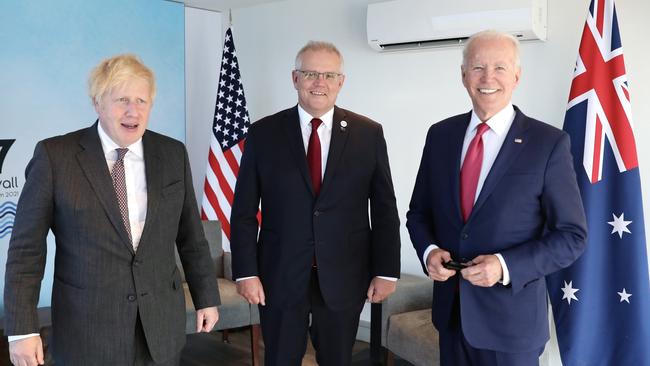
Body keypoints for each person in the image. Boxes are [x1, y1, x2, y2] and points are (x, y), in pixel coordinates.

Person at [3, 54, 220, 366]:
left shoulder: (172, 153)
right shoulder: (55, 157)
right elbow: (26, 248)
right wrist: (22, 330)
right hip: (87, 332)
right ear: (97, 103)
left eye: (142, 101)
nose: (133, 111)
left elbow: (191, 236)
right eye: (122, 100)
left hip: (160, 329)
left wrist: (206, 297)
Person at [406, 30, 588, 365]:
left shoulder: (548, 144)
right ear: (463, 76)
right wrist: (429, 251)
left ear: (517, 76)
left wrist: (505, 266)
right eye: (477, 68)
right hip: (452, 318)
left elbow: (572, 236)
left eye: (500, 68)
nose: (488, 78)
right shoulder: (440, 135)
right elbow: (418, 213)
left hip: (511, 328)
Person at [230, 41, 401, 366]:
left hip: (344, 275)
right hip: (278, 275)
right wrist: (246, 272)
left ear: (341, 81)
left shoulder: (368, 134)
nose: (319, 83)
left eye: (328, 75)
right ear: (295, 78)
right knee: (280, 359)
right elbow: (243, 211)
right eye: (310, 74)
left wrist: (386, 270)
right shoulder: (263, 133)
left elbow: (384, 209)